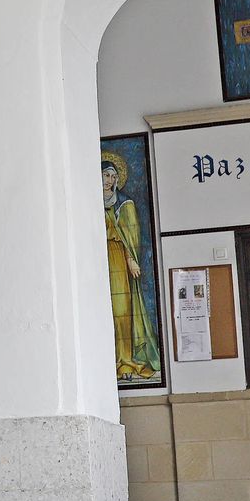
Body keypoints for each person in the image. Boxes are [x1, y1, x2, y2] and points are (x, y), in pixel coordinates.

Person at [104, 153, 160, 381]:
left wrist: (129, 258)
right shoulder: (85, 204)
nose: (109, 180)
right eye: (105, 175)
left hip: (117, 258)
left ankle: (125, 361)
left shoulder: (124, 204)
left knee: (120, 312)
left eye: (112, 176)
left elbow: (130, 236)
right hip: (93, 260)